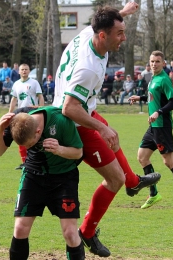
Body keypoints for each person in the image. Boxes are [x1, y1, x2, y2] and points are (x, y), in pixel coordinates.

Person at [53, 4, 161, 257]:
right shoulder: (88, 68)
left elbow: (106, 22)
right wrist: (100, 127)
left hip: (83, 110)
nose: (124, 38)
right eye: (120, 33)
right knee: (115, 179)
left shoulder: (88, 35)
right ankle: (87, 233)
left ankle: (133, 182)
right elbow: (70, 108)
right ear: (103, 35)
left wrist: (122, 12)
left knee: (111, 136)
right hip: (73, 123)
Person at [0, 106, 85, 260]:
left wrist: (59, 149)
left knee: (70, 233)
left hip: (64, 177)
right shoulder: (17, 121)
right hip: (33, 176)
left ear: (38, 132)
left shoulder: (60, 120)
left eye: (29, 144)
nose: (27, 148)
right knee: (20, 228)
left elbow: (78, 152)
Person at [128, 50, 173, 211]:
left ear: (163, 63)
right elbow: (155, 98)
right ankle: (154, 194)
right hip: (153, 127)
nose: (154, 64)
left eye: (157, 61)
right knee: (142, 157)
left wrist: (158, 112)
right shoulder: (153, 78)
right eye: (152, 61)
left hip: (162, 127)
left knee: (169, 161)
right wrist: (141, 98)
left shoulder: (164, 79)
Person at [9, 63, 44, 170]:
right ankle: (24, 162)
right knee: (20, 136)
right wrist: (10, 113)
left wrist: (41, 108)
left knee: (34, 137)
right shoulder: (16, 84)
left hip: (32, 113)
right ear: (19, 71)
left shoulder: (34, 83)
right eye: (22, 69)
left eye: (26, 69)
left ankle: (37, 160)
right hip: (20, 113)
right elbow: (14, 99)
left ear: (29, 71)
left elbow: (40, 96)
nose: (24, 71)